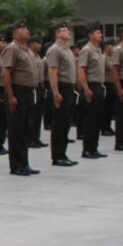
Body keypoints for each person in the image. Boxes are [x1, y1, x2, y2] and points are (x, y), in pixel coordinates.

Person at [2, 20, 40, 176]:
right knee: (17, 130)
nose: (26, 30)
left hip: (28, 92)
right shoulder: (12, 49)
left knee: (25, 130)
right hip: (18, 92)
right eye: (22, 28)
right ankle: (16, 165)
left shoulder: (27, 50)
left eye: (26, 27)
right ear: (14, 33)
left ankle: (24, 163)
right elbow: (6, 72)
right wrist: (11, 95)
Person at [45, 22, 79, 167]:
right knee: (58, 123)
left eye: (68, 30)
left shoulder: (68, 50)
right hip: (62, 87)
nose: (68, 32)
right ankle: (57, 156)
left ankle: (63, 153)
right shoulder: (55, 50)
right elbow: (52, 72)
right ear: (58, 34)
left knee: (66, 122)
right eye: (64, 30)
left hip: (69, 87)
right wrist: (56, 92)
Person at [76, 23, 109, 159]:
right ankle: (87, 150)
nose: (100, 35)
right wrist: (86, 88)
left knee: (97, 120)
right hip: (91, 86)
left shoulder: (98, 50)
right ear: (90, 35)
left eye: (100, 32)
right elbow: (81, 70)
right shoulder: (87, 50)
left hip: (99, 86)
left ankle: (94, 147)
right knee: (90, 120)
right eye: (97, 33)